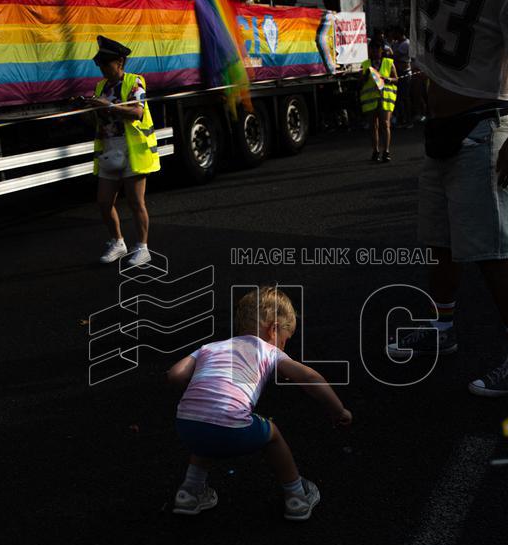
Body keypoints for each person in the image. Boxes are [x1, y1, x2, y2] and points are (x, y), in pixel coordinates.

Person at [389, 0, 508, 397]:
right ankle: (442, 330)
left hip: (483, 124)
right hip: (440, 132)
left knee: (493, 255)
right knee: (439, 243)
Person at [167, 286, 353, 520]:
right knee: (272, 435)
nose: (284, 348)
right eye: (285, 341)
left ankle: (190, 492)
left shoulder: (210, 348)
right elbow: (310, 378)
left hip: (186, 424)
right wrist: (338, 410)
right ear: (274, 330)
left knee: (208, 424)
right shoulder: (269, 351)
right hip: (230, 426)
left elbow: (175, 375)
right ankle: (297, 495)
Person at [86, 36, 160, 267]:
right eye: (100, 65)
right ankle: (118, 242)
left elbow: (138, 112)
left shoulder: (135, 82)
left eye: (106, 64)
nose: (103, 69)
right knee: (103, 202)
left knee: (136, 202)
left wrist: (108, 106)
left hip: (132, 150)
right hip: (109, 149)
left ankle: (143, 248)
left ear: (120, 62)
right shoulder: (100, 86)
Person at [360, 41, 398, 162]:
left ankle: (386, 151)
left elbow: (396, 79)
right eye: (372, 49)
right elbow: (359, 82)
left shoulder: (389, 63)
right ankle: (375, 151)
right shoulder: (365, 64)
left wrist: (389, 79)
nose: (375, 52)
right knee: (373, 126)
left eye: (377, 49)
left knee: (385, 124)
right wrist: (365, 76)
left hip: (385, 99)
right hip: (371, 101)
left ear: (382, 51)